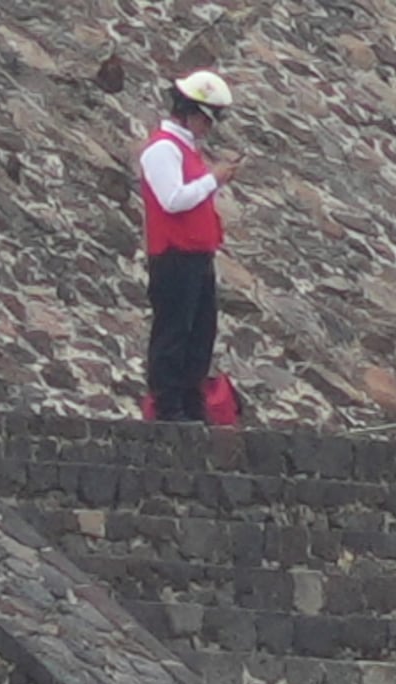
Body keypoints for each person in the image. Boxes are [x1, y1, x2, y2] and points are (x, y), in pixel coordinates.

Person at [134, 71, 238, 425]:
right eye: (207, 119)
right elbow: (173, 200)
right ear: (191, 113)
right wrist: (214, 179)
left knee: (199, 333)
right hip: (174, 254)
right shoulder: (163, 149)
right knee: (173, 332)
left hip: (195, 255)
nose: (208, 128)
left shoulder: (184, 150)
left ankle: (193, 404)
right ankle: (168, 407)